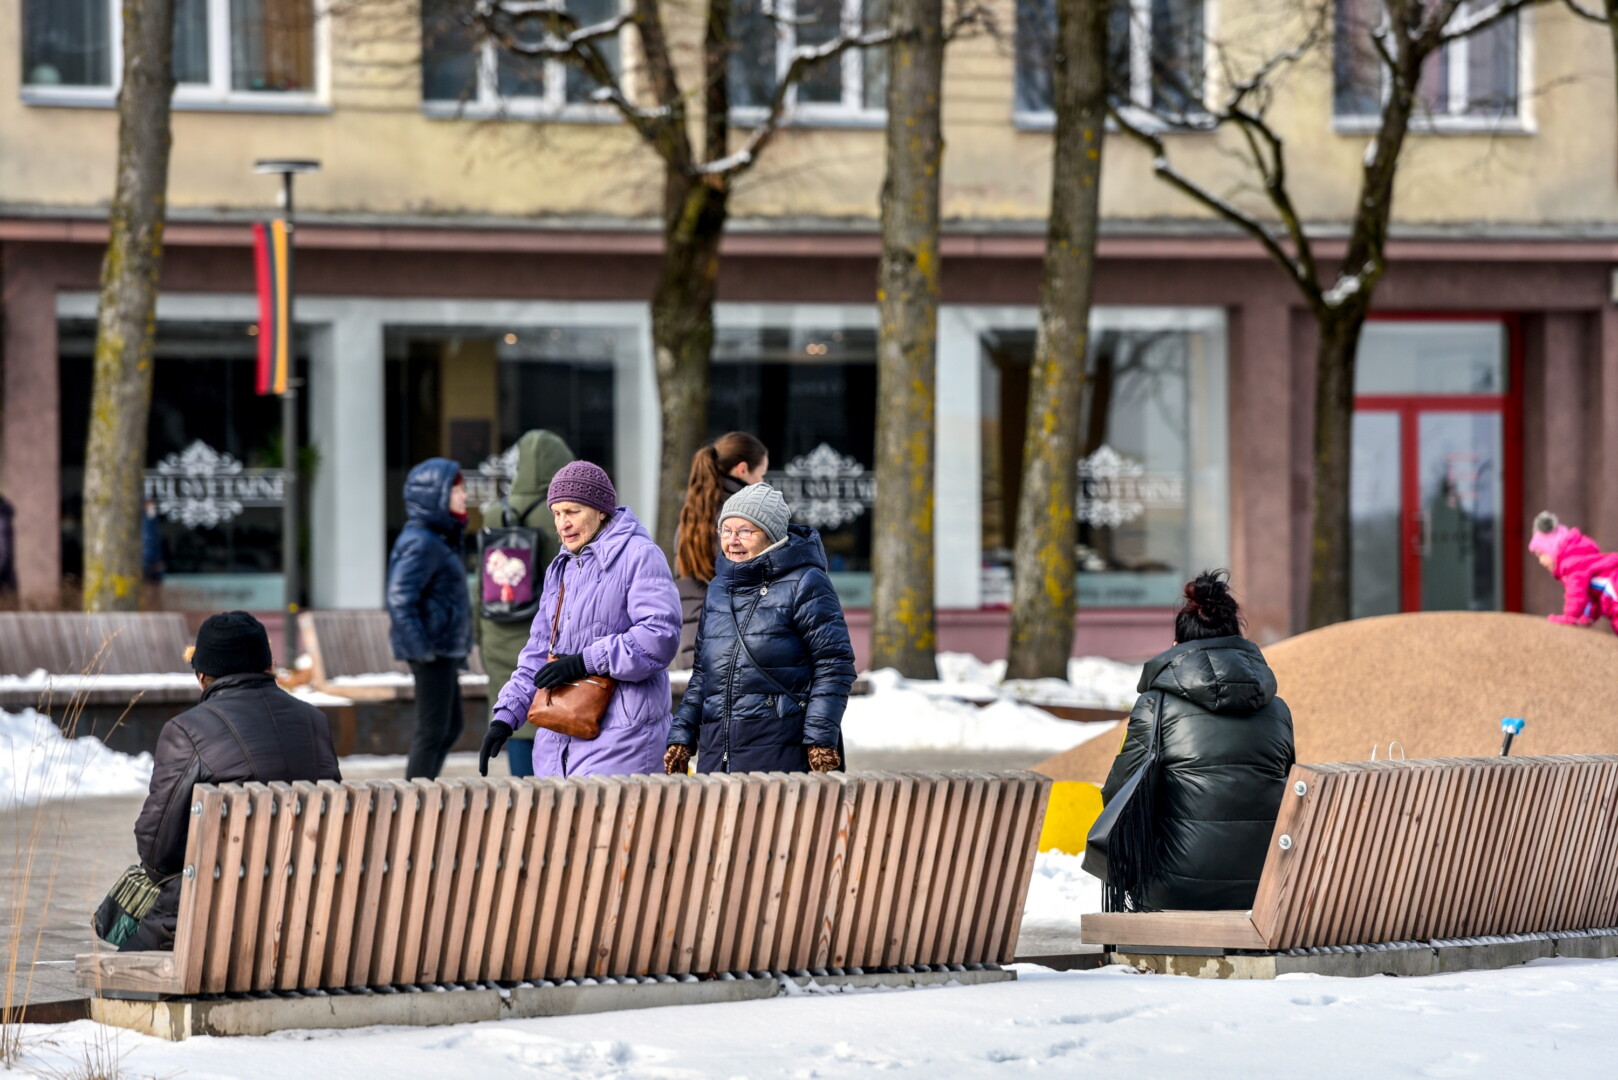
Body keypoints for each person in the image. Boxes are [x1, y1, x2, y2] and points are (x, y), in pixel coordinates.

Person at [119, 612, 340, 951]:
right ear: (269, 665)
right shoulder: (315, 721)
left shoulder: (187, 731)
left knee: (126, 951)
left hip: (215, 921)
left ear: (202, 676)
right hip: (308, 915)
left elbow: (155, 852)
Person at [1099, 570, 1294, 912]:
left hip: (1174, 889)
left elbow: (1120, 791)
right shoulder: (1276, 709)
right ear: (1239, 645)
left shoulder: (1155, 705)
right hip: (1264, 885)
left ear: (1177, 647)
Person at [477, 461, 681, 778]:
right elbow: (538, 650)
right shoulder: (562, 567)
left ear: (601, 511)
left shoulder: (640, 555)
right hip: (557, 737)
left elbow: (659, 637)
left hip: (622, 738)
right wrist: (507, 714)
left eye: (572, 512)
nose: (563, 524)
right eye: (556, 513)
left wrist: (584, 661)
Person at [666, 483, 855, 775]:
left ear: (771, 535)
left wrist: (819, 738)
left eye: (745, 531)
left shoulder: (807, 582)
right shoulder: (718, 589)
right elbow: (703, 674)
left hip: (781, 746)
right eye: (725, 531)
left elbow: (834, 664)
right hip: (718, 750)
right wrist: (682, 735)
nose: (732, 540)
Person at [474, 430, 575, 777]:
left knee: (510, 707)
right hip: (541, 631)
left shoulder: (494, 514)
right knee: (547, 707)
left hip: (498, 628)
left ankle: (521, 785)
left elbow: (481, 580)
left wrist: (479, 633)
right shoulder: (558, 515)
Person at [387, 458, 473, 781]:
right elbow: (399, 598)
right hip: (431, 650)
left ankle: (423, 790)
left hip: (443, 649)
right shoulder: (421, 542)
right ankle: (414, 799)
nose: (464, 496)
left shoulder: (438, 539)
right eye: (457, 490)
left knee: (451, 726)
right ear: (434, 495)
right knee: (433, 729)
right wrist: (421, 648)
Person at [672, 433, 769, 670]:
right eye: (761, 474)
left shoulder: (690, 517)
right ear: (743, 470)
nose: (763, 481)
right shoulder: (740, 520)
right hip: (730, 647)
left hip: (691, 642)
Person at [1530, 511, 1618, 633]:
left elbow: (1576, 593)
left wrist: (1570, 616)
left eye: (1542, 554)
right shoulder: (1580, 558)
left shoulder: (1572, 564)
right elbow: (1593, 597)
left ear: (1554, 548)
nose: (1541, 561)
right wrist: (1588, 616)